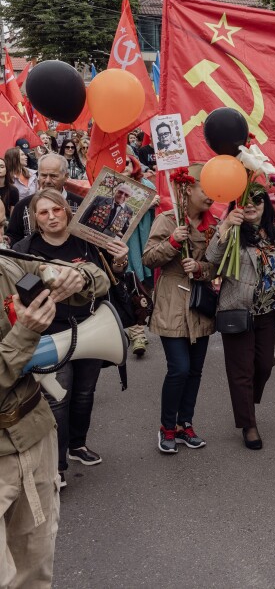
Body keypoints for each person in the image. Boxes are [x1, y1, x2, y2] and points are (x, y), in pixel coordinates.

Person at [0, 233, 108, 587]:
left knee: (36, 565)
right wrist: (24, 334)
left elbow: (97, 276)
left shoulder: (7, 261)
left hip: (34, 434)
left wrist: (80, 276)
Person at [13, 189, 129, 487]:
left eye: (57, 210)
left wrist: (119, 262)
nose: (52, 216)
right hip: (52, 332)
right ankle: (57, 463)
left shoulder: (87, 241)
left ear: (67, 211)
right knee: (57, 398)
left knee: (83, 393)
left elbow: (108, 280)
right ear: (36, 220)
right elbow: (22, 289)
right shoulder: (24, 248)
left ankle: (77, 444)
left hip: (92, 326)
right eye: (44, 213)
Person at [208, 185, 275, 449]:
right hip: (238, 309)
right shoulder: (232, 231)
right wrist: (225, 227)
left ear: (265, 204)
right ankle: (249, 424)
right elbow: (212, 260)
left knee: (264, 365)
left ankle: (246, 401)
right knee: (241, 372)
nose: (251, 204)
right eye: (245, 200)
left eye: (257, 199)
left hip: (268, 312)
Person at [143, 163, 217, 454]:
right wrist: (174, 242)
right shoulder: (167, 219)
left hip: (200, 306)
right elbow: (149, 258)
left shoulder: (213, 227)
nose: (211, 196)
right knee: (180, 369)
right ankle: (167, 427)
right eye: (206, 189)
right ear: (188, 189)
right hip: (172, 304)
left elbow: (217, 266)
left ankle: (186, 424)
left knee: (196, 370)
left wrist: (200, 268)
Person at [122, 156, 157, 357]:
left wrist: (155, 203)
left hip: (145, 243)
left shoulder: (147, 184)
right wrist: (146, 203)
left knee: (146, 289)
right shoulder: (108, 185)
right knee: (130, 287)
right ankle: (137, 335)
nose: (124, 167)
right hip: (123, 245)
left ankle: (140, 324)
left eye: (127, 162)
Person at [7, 154, 82, 246]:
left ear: (66, 176)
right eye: (43, 175)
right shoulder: (23, 206)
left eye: (53, 176)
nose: (47, 180)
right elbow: (13, 237)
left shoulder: (80, 205)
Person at [0, 156, 19, 237]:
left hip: (6, 223)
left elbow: (13, 215)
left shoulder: (13, 190)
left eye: (1, 166)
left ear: (6, 169)